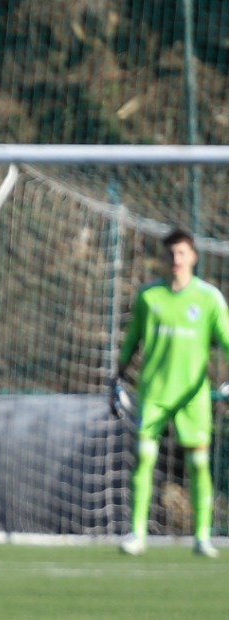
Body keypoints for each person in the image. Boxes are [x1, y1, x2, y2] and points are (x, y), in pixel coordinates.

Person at [114, 228, 229, 558]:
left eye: (181, 253)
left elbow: (226, 341)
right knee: (145, 459)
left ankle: (202, 537)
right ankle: (137, 533)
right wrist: (117, 377)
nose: (176, 260)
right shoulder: (149, 297)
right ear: (164, 258)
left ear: (193, 257)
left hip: (192, 395)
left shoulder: (208, 299)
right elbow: (132, 340)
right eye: (170, 254)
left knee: (198, 463)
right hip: (154, 392)